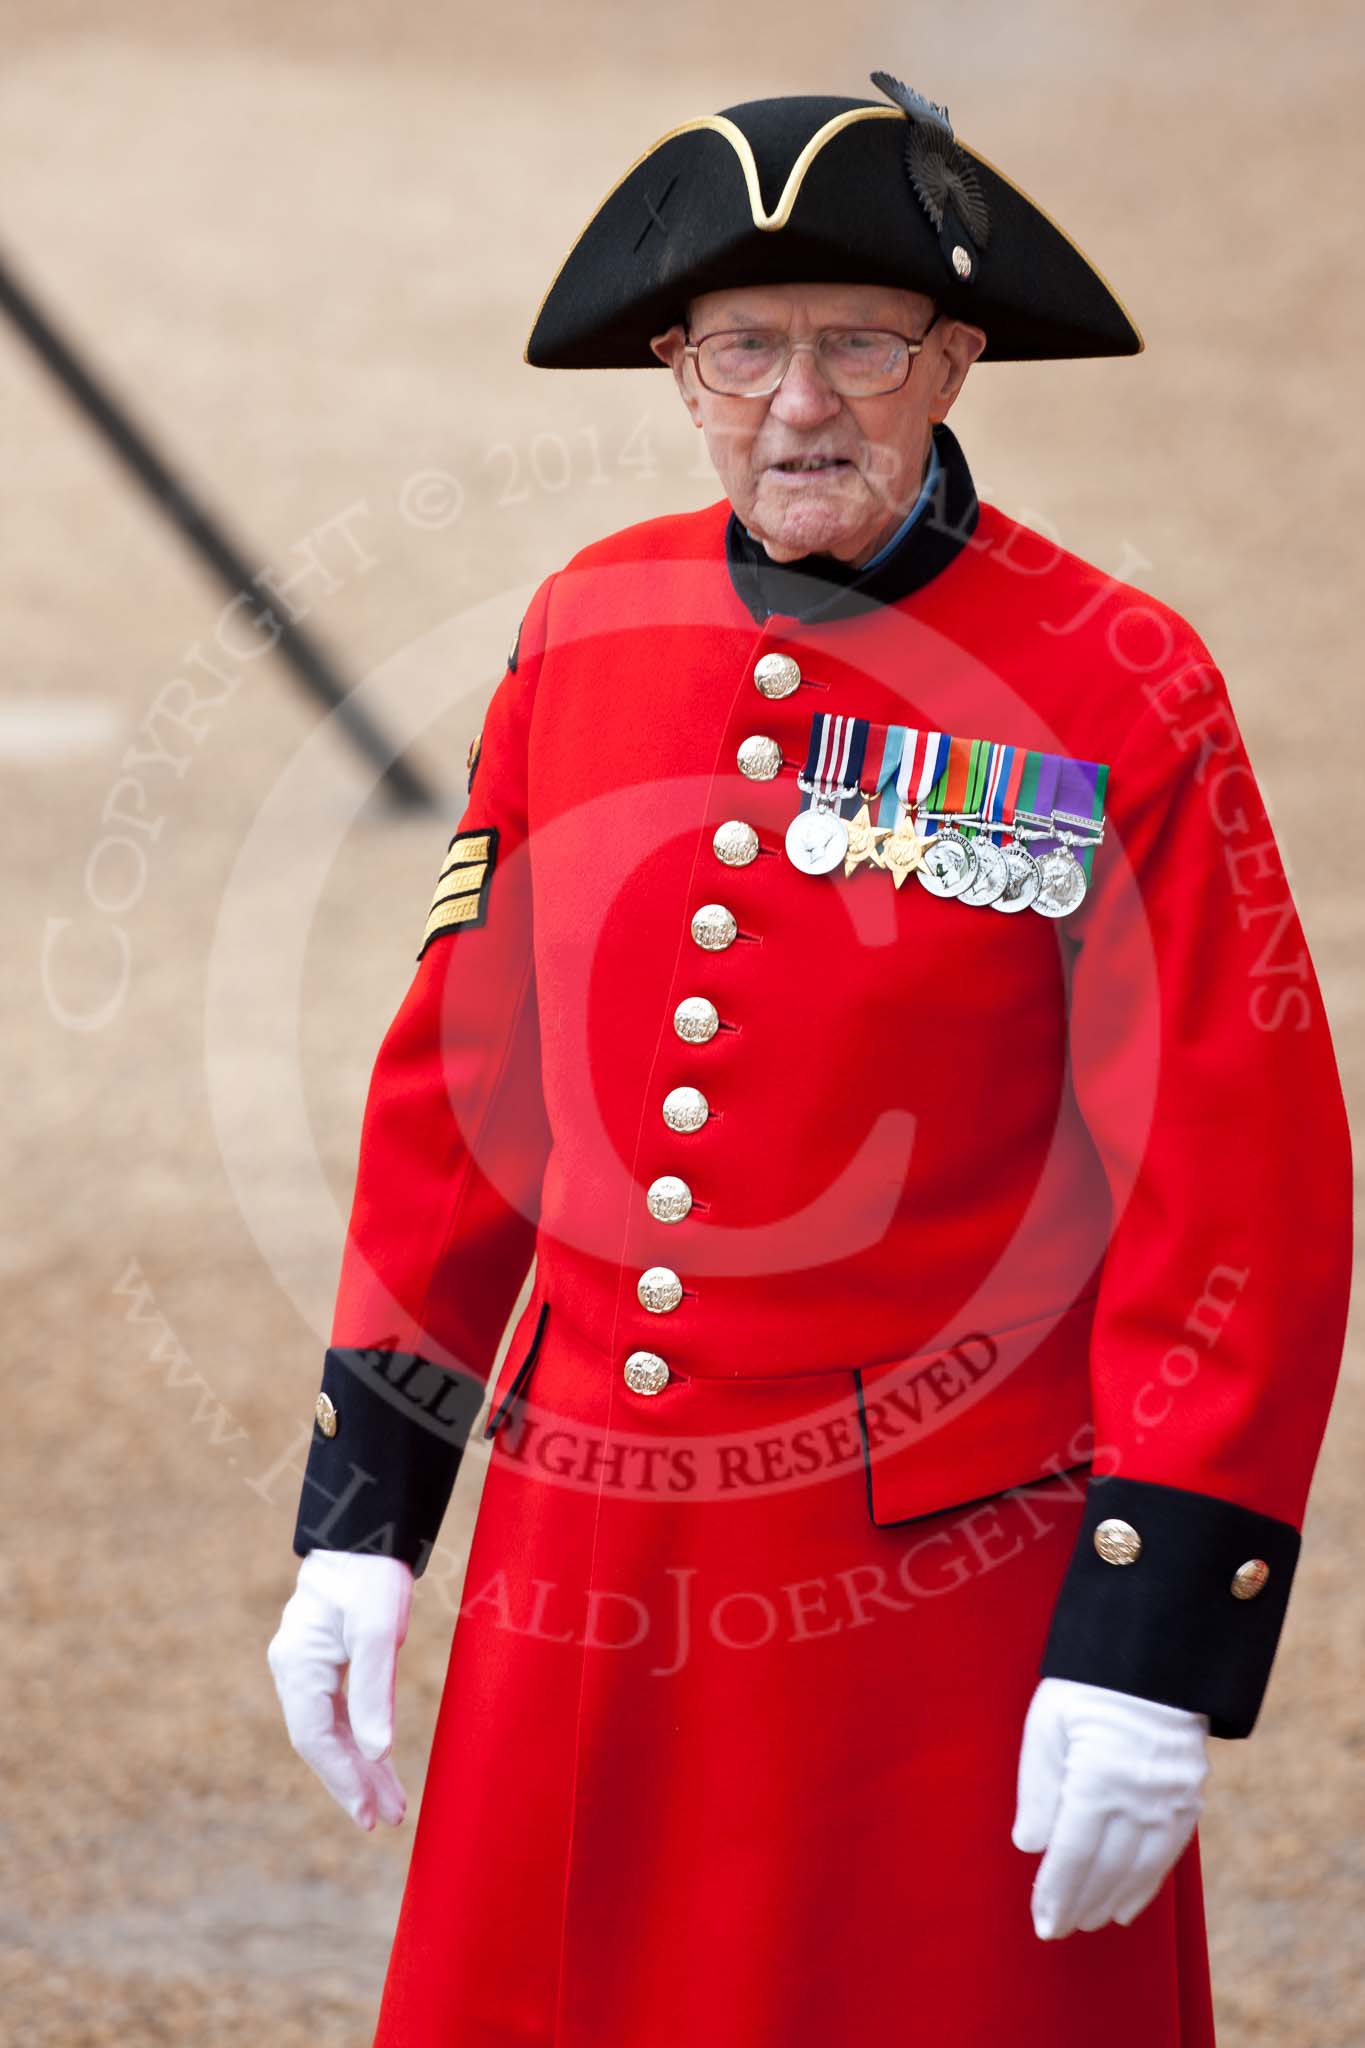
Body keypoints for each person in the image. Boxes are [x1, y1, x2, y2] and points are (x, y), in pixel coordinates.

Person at [266, 74, 1352, 2046]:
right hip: (583, 1568)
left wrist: (1145, 1633)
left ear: (952, 359)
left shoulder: (1119, 682)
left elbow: (1232, 1184)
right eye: (744, 347)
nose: (798, 402)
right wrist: (365, 1509)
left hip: (940, 1619)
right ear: (673, 363)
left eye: (856, 341)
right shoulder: (580, 627)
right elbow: (459, 1099)